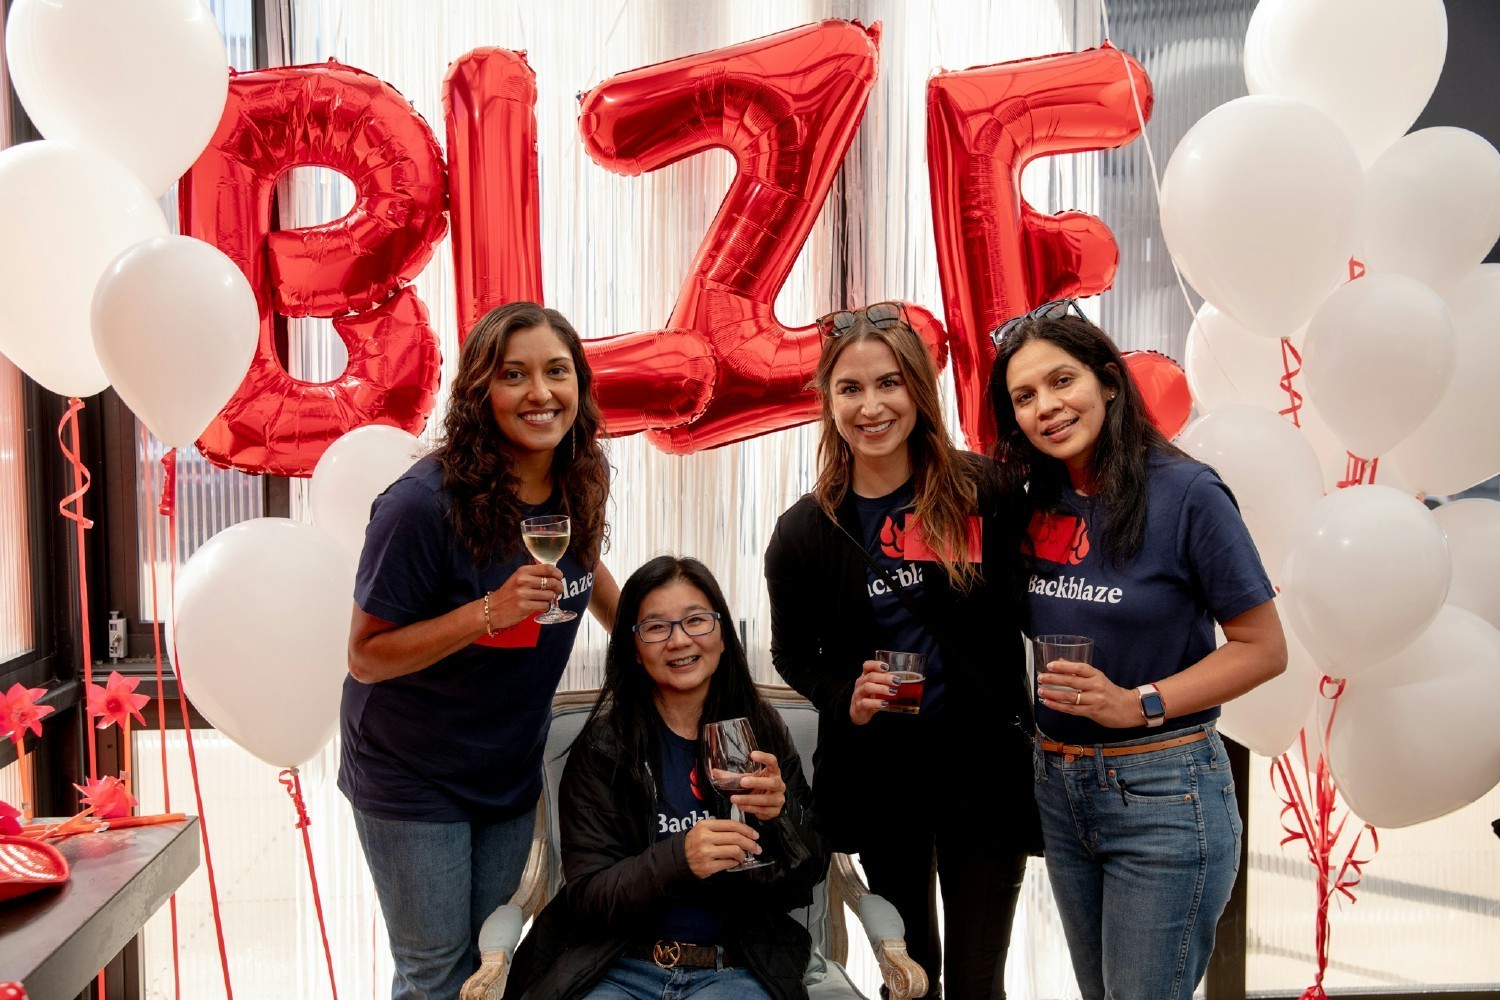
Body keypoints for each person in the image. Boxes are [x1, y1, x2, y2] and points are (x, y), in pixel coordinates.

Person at [987, 299, 1287, 1000]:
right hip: (1060, 788)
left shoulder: (1186, 494)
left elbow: (1263, 647)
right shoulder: (1035, 501)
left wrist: (1138, 703)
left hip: (1163, 789)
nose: (1047, 407)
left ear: (1109, 383)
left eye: (1063, 381)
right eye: (1024, 396)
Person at [342, 301, 619, 999]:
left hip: (505, 763)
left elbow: (586, 567)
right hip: (413, 770)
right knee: (436, 973)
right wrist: (487, 613)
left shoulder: (577, 476)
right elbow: (366, 656)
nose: (540, 393)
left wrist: (654, 635)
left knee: (488, 963)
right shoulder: (419, 505)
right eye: (514, 375)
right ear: (479, 393)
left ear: (579, 385)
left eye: (557, 372)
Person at [764, 303, 1037, 1000]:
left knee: (979, 983)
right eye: (850, 388)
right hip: (885, 777)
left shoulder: (987, 495)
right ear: (828, 401)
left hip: (984, 775)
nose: (871, 405)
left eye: (889, 383)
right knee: (909, 976)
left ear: (918, 389)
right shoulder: (806, 532)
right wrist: (845, 698)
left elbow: (1036, 602)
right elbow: (792, 654)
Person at [506, 555, 828, 1000]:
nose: (679, 640)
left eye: (696, 620)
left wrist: (781, 816)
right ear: (634, 650)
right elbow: (587, 896)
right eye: (656, 628)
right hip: (617, 966)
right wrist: (681, 858)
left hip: (733, 968)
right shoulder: (604, 746)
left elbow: (806, 877)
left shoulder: (760, 730)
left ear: (720, 633)